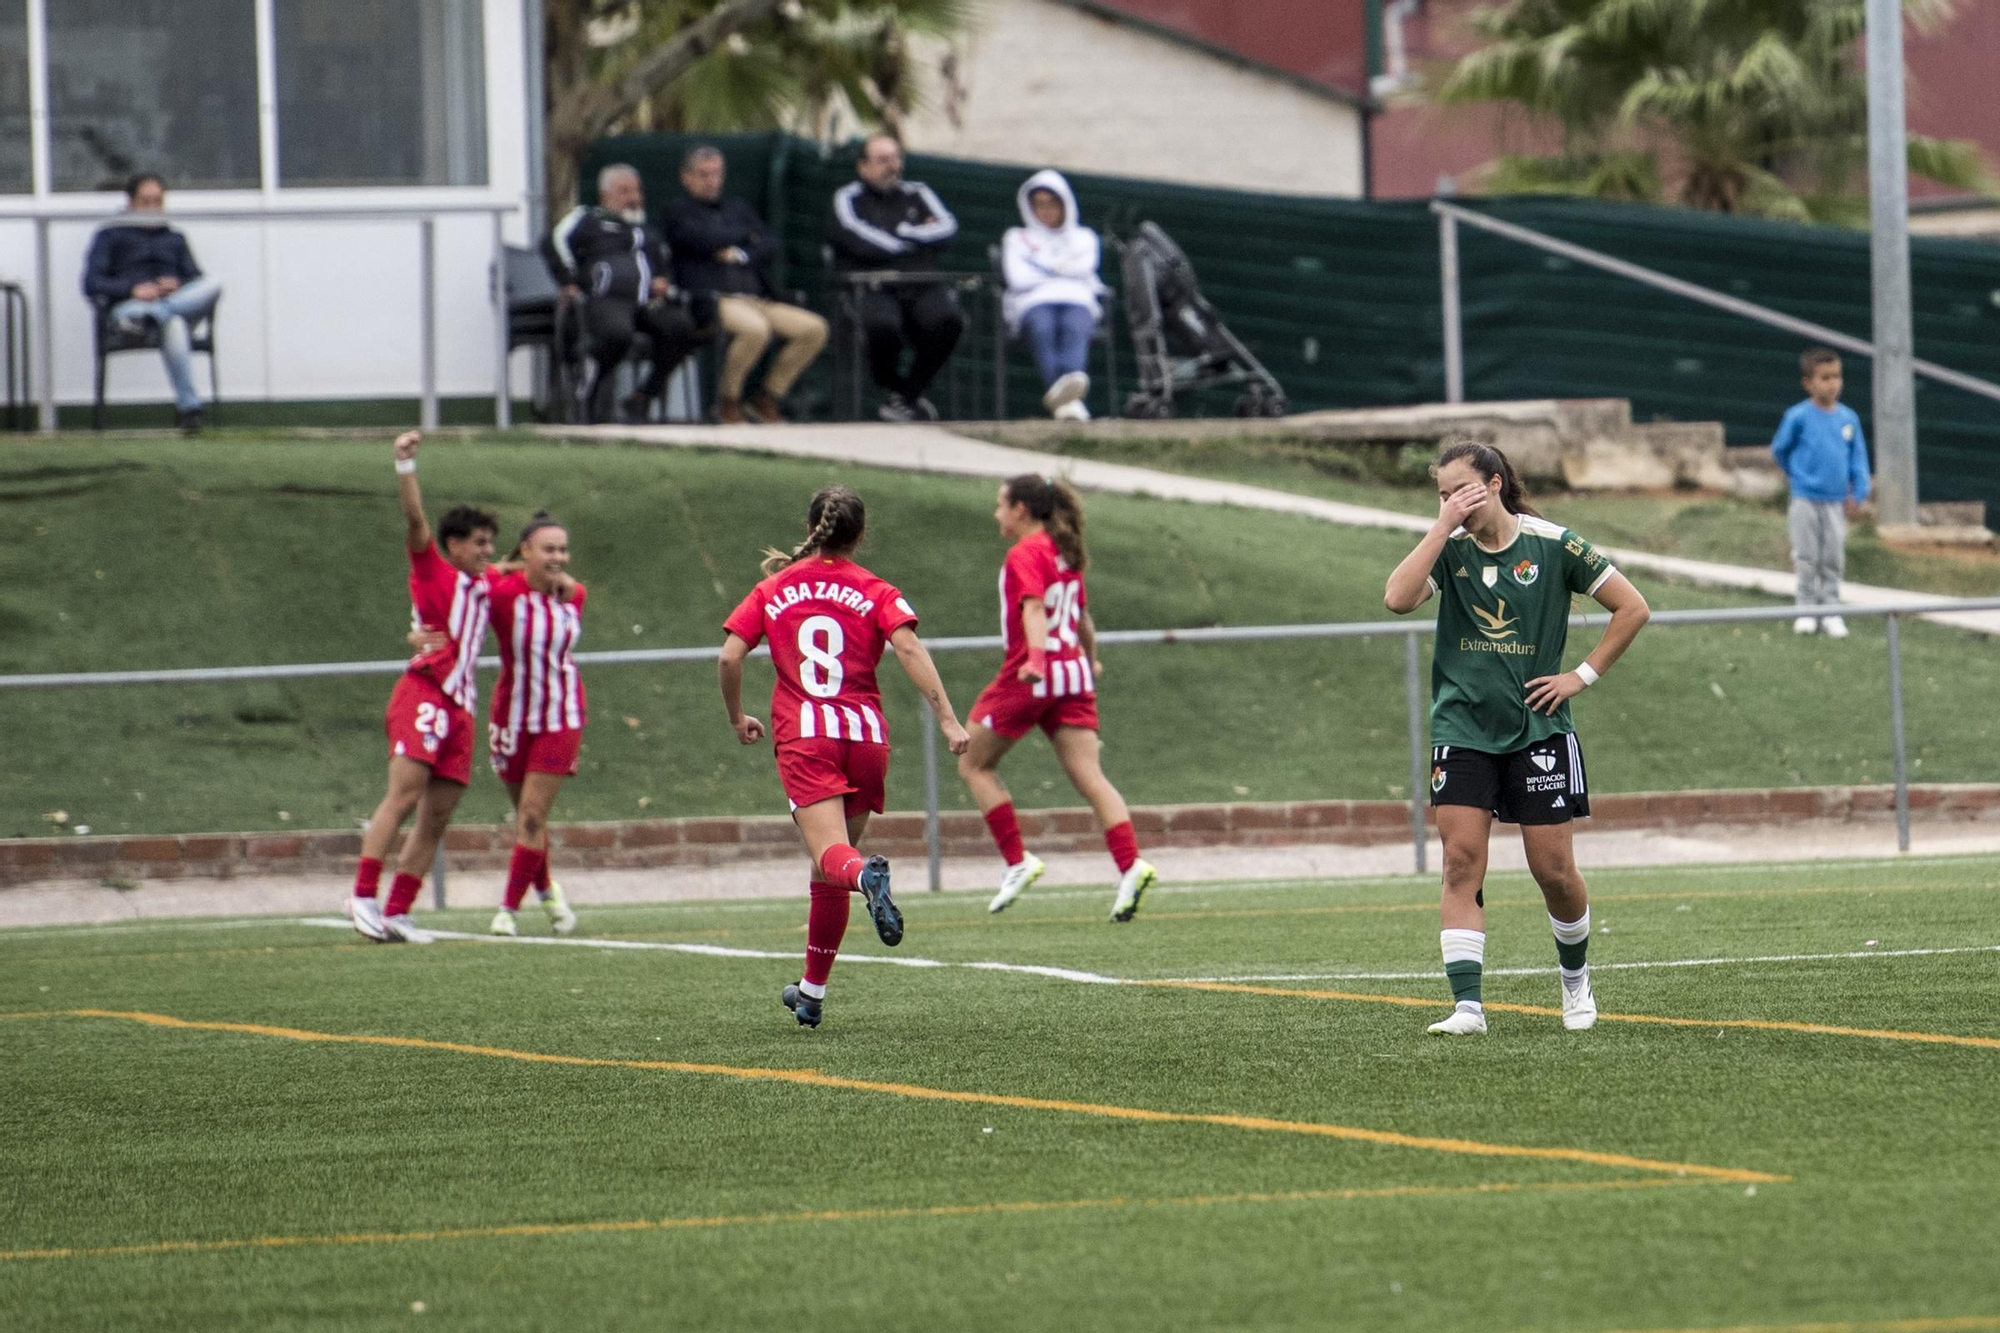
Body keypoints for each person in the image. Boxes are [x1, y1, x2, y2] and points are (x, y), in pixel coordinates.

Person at [1383, 439, 1650, 1037]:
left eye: (1462, 490)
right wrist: (1440, 525)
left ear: (1496, 482)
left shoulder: (1554, 545)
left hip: (1539, 730)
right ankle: (1468, 1008)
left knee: (1552, 869)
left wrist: (1579, 676)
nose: (1453, 502)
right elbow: (1398, 599)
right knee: (1459, 862)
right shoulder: (1448, 551)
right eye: (1443, 493)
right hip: (1462, 729)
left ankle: (1575, 980)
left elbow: (1632, 607)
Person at [719, 485, 971, 1028]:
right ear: (859, 536)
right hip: (865, 737)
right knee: (828, 863)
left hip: (807, 736)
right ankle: (811, 993)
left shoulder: (773, 588)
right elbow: (908, 647)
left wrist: (737, 717)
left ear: (811, 526)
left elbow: (729, 654)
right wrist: (948, 718)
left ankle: (869, 881)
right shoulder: (876, 589)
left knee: (839, 861)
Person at [961, 475, 1159, 922]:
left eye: (1000, 505)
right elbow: (1082, 616)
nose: (997, 514)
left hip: (1033, 674)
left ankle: (1017, 861)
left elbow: (1034, 607)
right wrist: (1092, 659)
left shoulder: (1026, 552)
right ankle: (1130, 865)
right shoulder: (1065, 550)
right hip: (1073, 675)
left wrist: (1034, 660)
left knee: (974, 763)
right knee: (1092, 777)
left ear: (1022, 511)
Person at [346, 431, 498, 945]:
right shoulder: (435, 569)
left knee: (438, 814)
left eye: (490, 543)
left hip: (462, 707)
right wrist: (405, 467)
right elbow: (415, 523)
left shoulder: (484, 583)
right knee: (404, 795)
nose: (487, 552)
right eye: (479, 542)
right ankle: (362, 895)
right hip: (426, 693)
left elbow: (521, 573)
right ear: (454, 545)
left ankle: (398, 911)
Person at [665, 145, 828, 425]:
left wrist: (741, 252)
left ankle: (767, 398)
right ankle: (727, 401)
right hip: (715, 298)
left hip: (758, 297)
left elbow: (769, 240)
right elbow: (701, 239)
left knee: (814, 329)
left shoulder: (737, 207)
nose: (711, 181)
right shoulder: (677, 211)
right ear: (686, 177)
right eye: (703, 175)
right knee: (755, 330)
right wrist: (743, 235)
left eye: (716, 174)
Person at [486, 512, 586, 937]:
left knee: (530, 816)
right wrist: (511, 567)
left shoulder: (574, 595)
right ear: (525, 551)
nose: (558, 557)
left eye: (562, 549)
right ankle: (548, 892)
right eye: (548, 549)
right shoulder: (504, 594)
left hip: (561, 717)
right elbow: (475, 574)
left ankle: (507, 910)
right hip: (512, 717)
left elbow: (576, 588)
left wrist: (551, 575)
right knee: (528, 817)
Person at [542, 164, 703, 424]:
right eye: (624, 191)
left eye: (636, 190)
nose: (634, 197)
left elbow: (662, 263)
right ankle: (592, 386)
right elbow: (552, 242)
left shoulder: (643, 229)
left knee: (682, 327)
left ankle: (642, 396)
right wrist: (568, 281)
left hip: (646, 302)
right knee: (618, 334)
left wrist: (664, 280)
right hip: (607, 299)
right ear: (605, 195)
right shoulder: (587, 219)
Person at [827, 133, 964, 423]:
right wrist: (911, 243)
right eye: (883, 160)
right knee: (882, 327)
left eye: (895, 158)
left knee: (948, 320)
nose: (892, 166)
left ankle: (907, 396)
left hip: (921, 284)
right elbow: (855, 236)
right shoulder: (848, 198)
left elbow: (948, 229)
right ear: (863, 167)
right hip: (872, 287)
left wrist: (907, 233)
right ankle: (898, 391)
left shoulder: (918, 193)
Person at [80, 173, 224, 434]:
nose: (152, 207)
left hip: (168, 303)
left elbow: (196, 279)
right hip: (131, 309)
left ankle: (156, 316)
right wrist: (132, 290)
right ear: (131, 204)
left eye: (158, 201)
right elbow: (91, 283)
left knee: (213, 283)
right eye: (145, 201)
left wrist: (177, 284)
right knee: (175, 324)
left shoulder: (175, 239)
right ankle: (190, 410)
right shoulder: (110, 236)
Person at [1771, 347, 1871, 639]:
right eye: (1825, 377)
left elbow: (1858, 459)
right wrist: (1798, 476)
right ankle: (1805, 610)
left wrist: (1859, 492)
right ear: (1809, 383)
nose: (1832, 383)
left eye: (1836, 376)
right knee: (1806, 555)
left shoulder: (1848, 419)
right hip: (1804, 498)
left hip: (1836, 501)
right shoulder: (1797, 416)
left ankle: (1831, 611)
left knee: (1832, 557)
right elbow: (1780, 450)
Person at [1001, 170, 1104, 421]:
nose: (1046, 210)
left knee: (1075, 327)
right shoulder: (1017, 238)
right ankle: (1071, 401)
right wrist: (1062, 270)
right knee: (1042, 328)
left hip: (1078, 301)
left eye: (1052, 204)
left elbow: (1085, 268)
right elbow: (1017, 279)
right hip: (1033, 303)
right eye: (1040, 204)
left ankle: (1062, 401)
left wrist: (1041, 268)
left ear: (1065, 204)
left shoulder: (1084, 238)